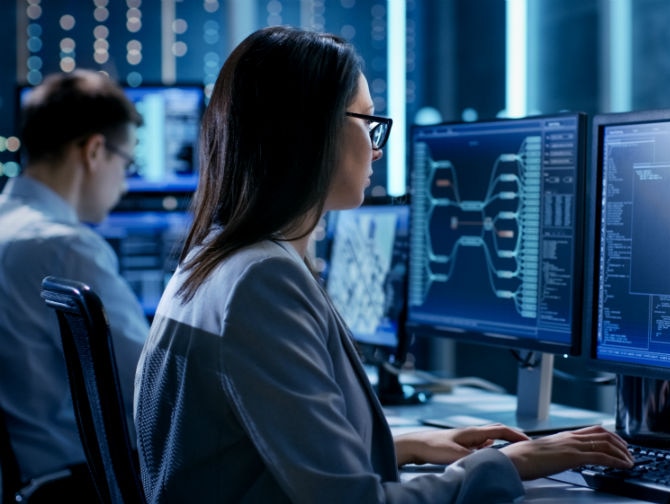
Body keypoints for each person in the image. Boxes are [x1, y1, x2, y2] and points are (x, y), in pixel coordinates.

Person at [134, 25, 633, 503]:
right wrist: (508, 464)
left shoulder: (212, 260)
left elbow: (255, 452)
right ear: (310, 132)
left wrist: (405, 444)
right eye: (367, 122)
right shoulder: (260, 280)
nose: (376, 150)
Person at [0, 70, 149, 494]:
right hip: (80, 483)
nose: (124, 183)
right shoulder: (65, 247)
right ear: (95, 151)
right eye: (127, 162)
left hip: (33, 482)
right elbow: (152, 387)